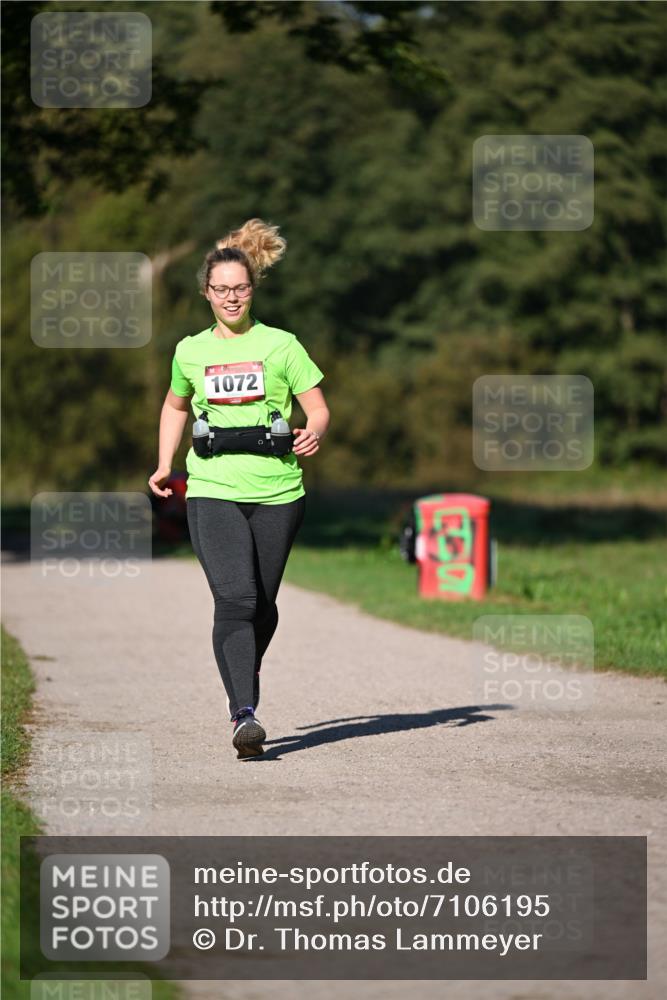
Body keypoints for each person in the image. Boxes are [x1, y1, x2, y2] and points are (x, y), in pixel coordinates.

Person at [148, 219, 330, 759]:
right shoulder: (189, 352)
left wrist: (312, 432)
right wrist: (164, 463)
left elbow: (317, 406)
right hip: (211, 485)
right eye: (221, 289)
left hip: (279, 490)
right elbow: (174, 406)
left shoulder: (282, 345)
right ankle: (244, 715)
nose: (232, 297)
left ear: (253, 289)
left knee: (264, 605)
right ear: (206, 292)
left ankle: (242, 660)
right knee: (236, 597)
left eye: (241, 288)